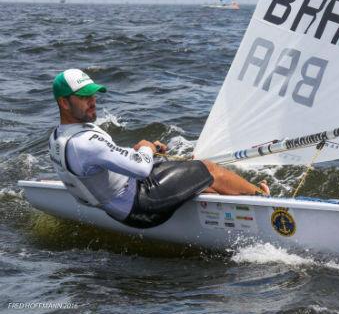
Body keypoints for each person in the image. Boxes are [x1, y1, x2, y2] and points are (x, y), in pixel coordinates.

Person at [49, 69, 269, 228]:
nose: (92, 101)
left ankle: (234, 207)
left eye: (93, 94)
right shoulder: (86, 143)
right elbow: (141, 169)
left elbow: (98, 161)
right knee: (208, 169)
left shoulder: (60, 136)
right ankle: (263, 201)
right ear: (64, 103)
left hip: (121, 204)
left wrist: (137, 151)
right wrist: (145, 149)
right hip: (141, 207)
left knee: (194, 177)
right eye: (84, 96)